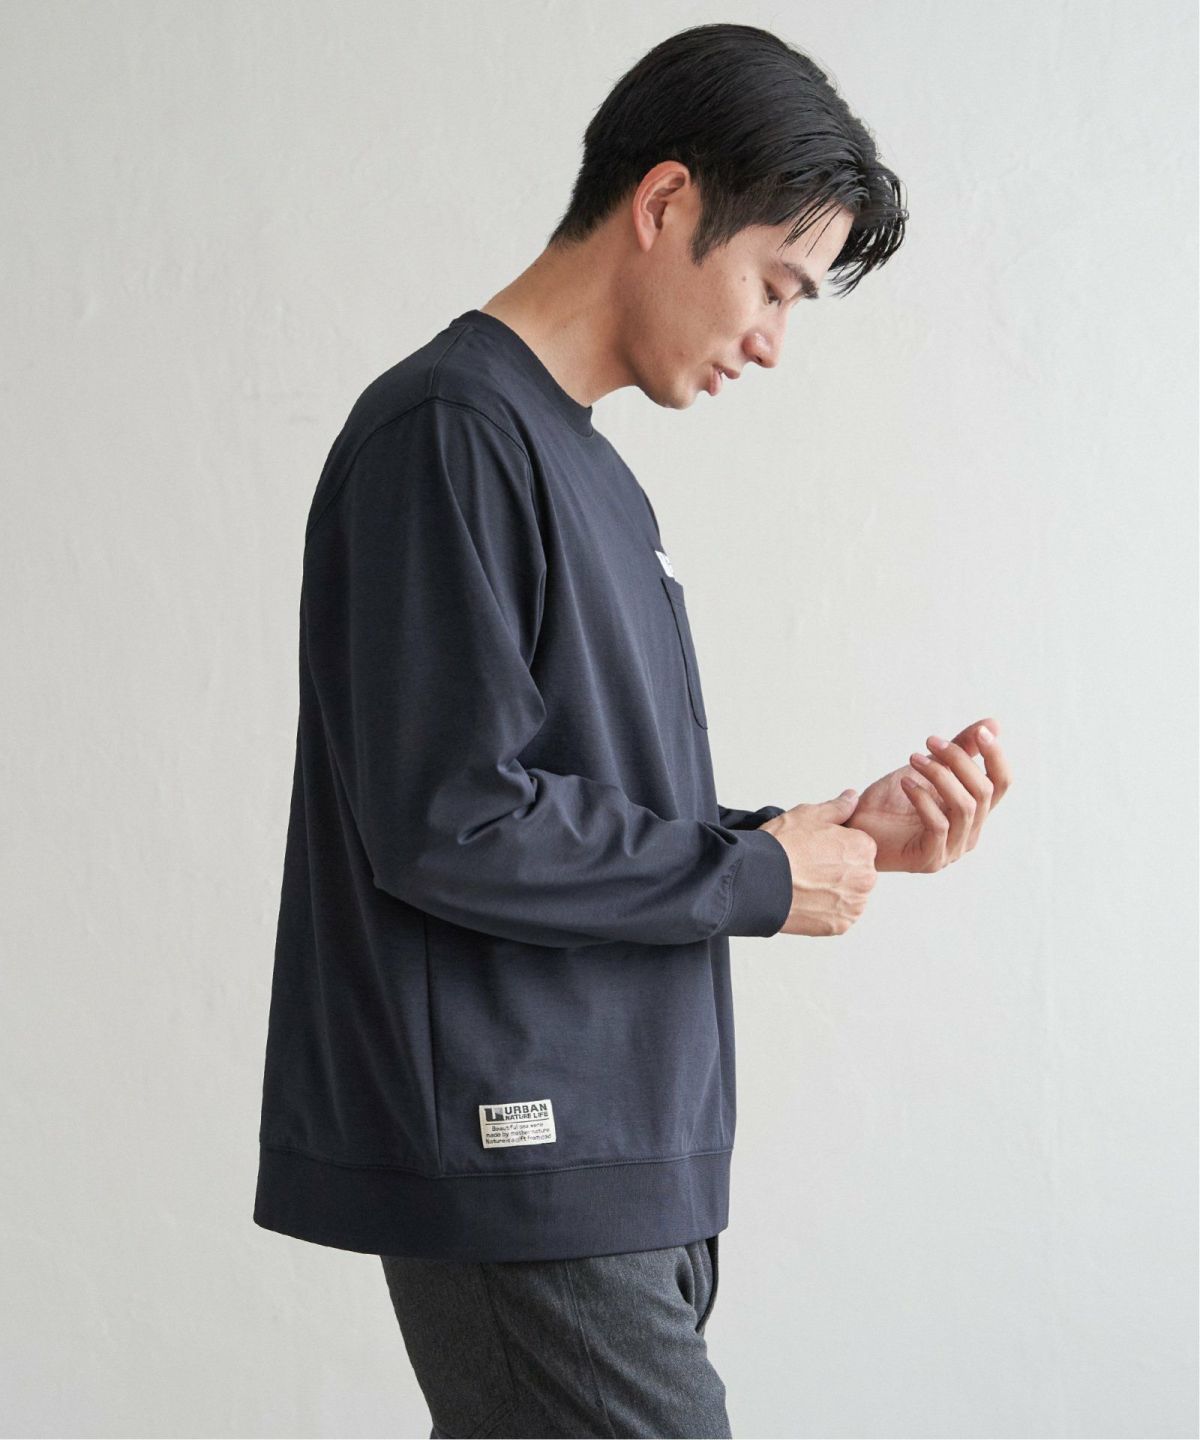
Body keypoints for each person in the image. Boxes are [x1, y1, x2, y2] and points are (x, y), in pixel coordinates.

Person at [253, 21, 1010, 1438]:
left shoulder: (592, 476)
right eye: (774, 285)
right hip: (528, 1158)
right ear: (666, 202)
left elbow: (564, 799)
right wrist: (756, 877)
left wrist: (812, 839)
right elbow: (452, 821)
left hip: (621, 1163)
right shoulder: (449, 435)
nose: (772, 343)